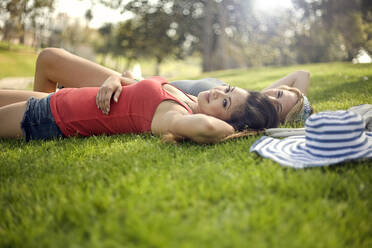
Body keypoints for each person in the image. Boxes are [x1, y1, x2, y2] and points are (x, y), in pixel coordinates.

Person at [0, 48, 279, 144]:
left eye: (225, 102)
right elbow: (135, 91)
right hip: (60, 98)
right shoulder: (184, 97)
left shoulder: (174, 115)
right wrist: (116, 79)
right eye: (227, 89)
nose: (218, 92)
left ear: (230, 123)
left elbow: (207, 127)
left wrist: (243, 131)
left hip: (48, 117)